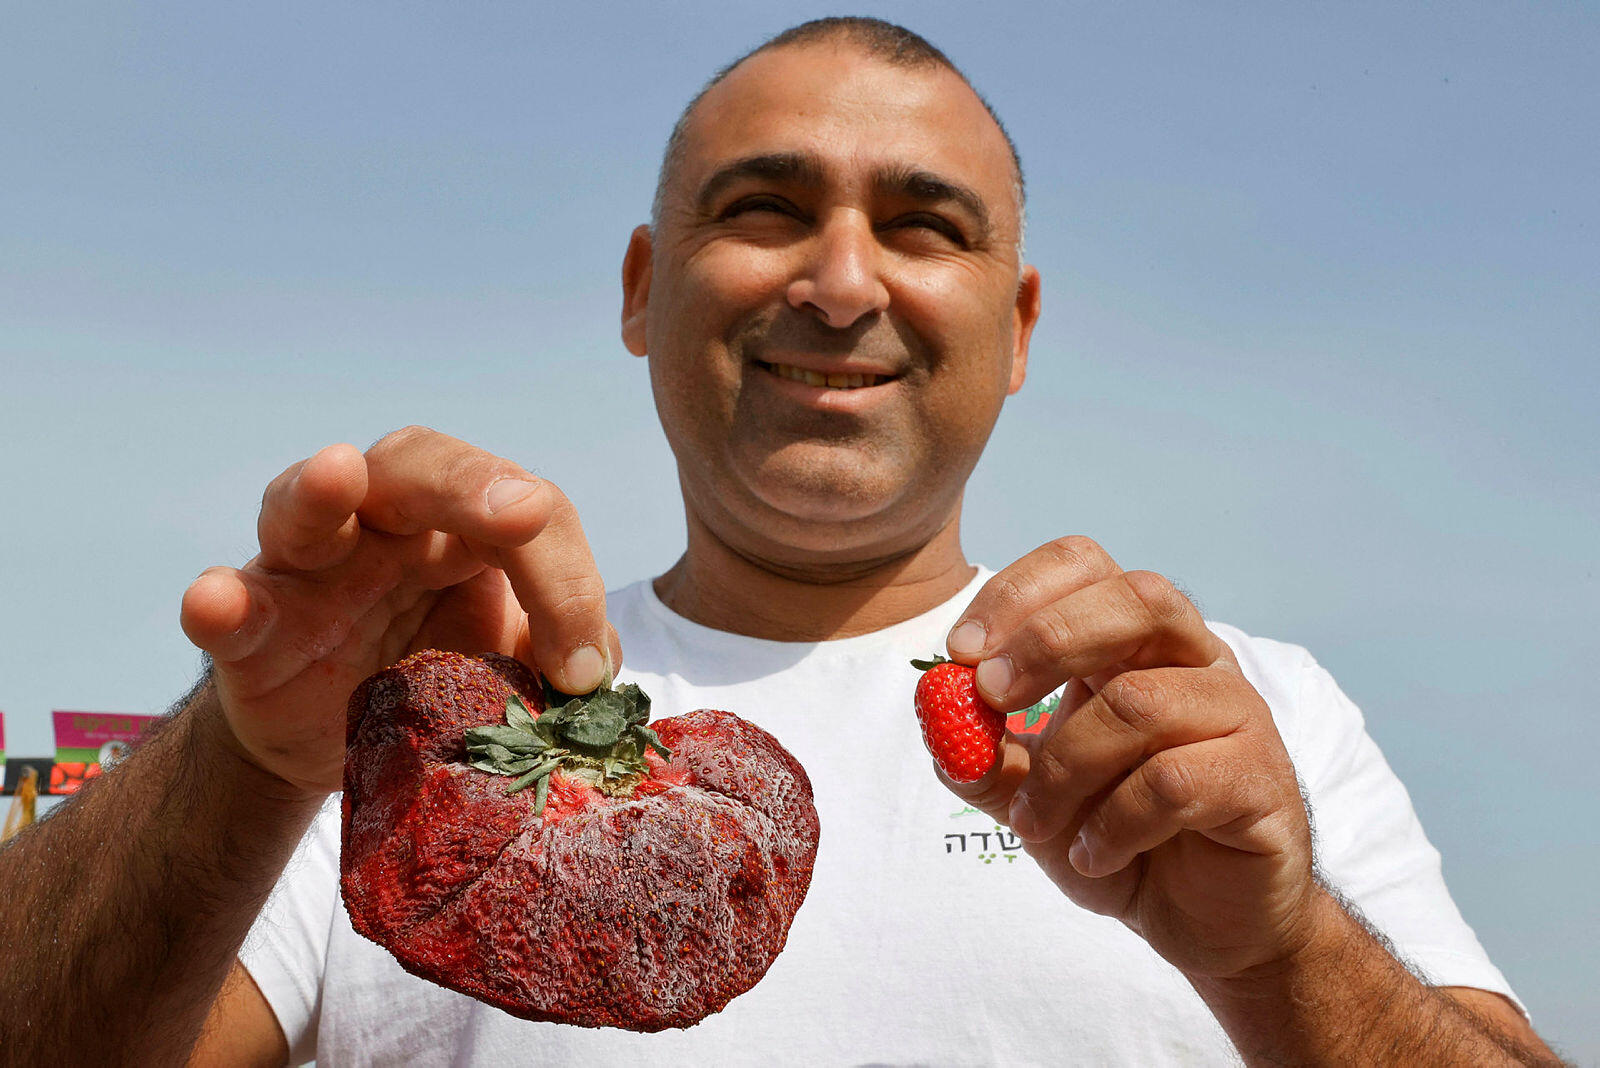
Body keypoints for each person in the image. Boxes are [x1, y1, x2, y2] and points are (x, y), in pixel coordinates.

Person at [0, 17, 1561, 1066]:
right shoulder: (409, 726)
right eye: (763, 208)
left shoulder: (1232, 728)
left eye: (925, 224)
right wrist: (251, 756)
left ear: (1018, 328)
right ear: (640, 288)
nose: (838, 279)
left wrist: (1283, 955)